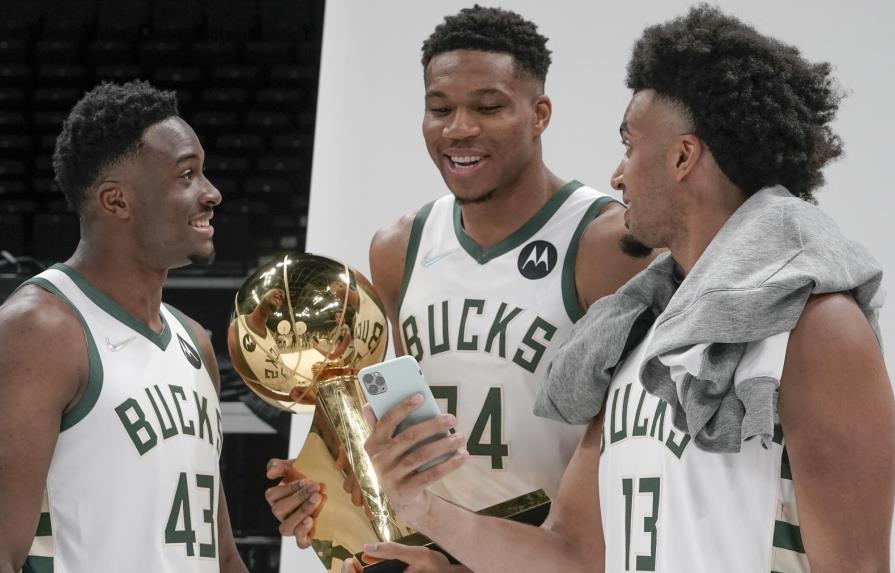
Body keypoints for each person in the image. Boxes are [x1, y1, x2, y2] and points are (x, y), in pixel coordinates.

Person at [351, 5, 894, 572]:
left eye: (630, 146)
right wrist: (422, 509)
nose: (616, 175)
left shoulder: (817, 328)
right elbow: (571, 555)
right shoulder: (634, 331)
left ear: (683, 157)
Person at [265, 5, 653, 569]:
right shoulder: (399, 247)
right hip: (439, 552)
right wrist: (324, 486)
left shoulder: (608, 243)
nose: (459, 128)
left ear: (540, 113)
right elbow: (406, 429)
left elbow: (636, 451)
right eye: (439, 108)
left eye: (488, 107)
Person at [0, 81, 249, 572]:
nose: (212, 193)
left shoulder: (194, 341)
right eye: (187, 175)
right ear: (116, 201)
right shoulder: (40, 331)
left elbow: (220, 556)